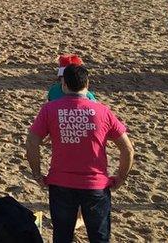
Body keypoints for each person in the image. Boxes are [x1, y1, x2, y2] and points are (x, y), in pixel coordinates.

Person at [26, 64, 134, 243]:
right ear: (87, 84)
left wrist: (37, 173)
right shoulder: (103, 111)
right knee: (99, 237)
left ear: (64, 85)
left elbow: (32, 142)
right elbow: (128, 149)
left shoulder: (49, 109)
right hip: (95, 185)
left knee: (62, 236)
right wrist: (121, 177)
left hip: (61, 183)